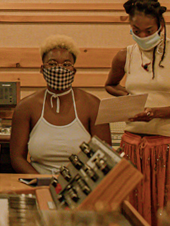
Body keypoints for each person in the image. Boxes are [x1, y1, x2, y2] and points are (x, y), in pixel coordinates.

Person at [104, 0, 170, 226]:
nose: (143, 36)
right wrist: (128, 98)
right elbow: (110, 85)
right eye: (136, 30)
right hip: (133, 148)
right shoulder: (124, 54)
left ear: (161, 26)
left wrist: (154, 112)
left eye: (149, 31)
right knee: (135, 218)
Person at [10, 35, 111, 175]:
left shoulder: (93, 105)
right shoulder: (25, 107)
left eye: (66, 64)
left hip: (81, 186)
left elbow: (104, 155)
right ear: (42, 69)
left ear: (74, 71)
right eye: (52, 64)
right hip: (38, 183)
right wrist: (42, 182)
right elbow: (17, 158)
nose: (59, 69)